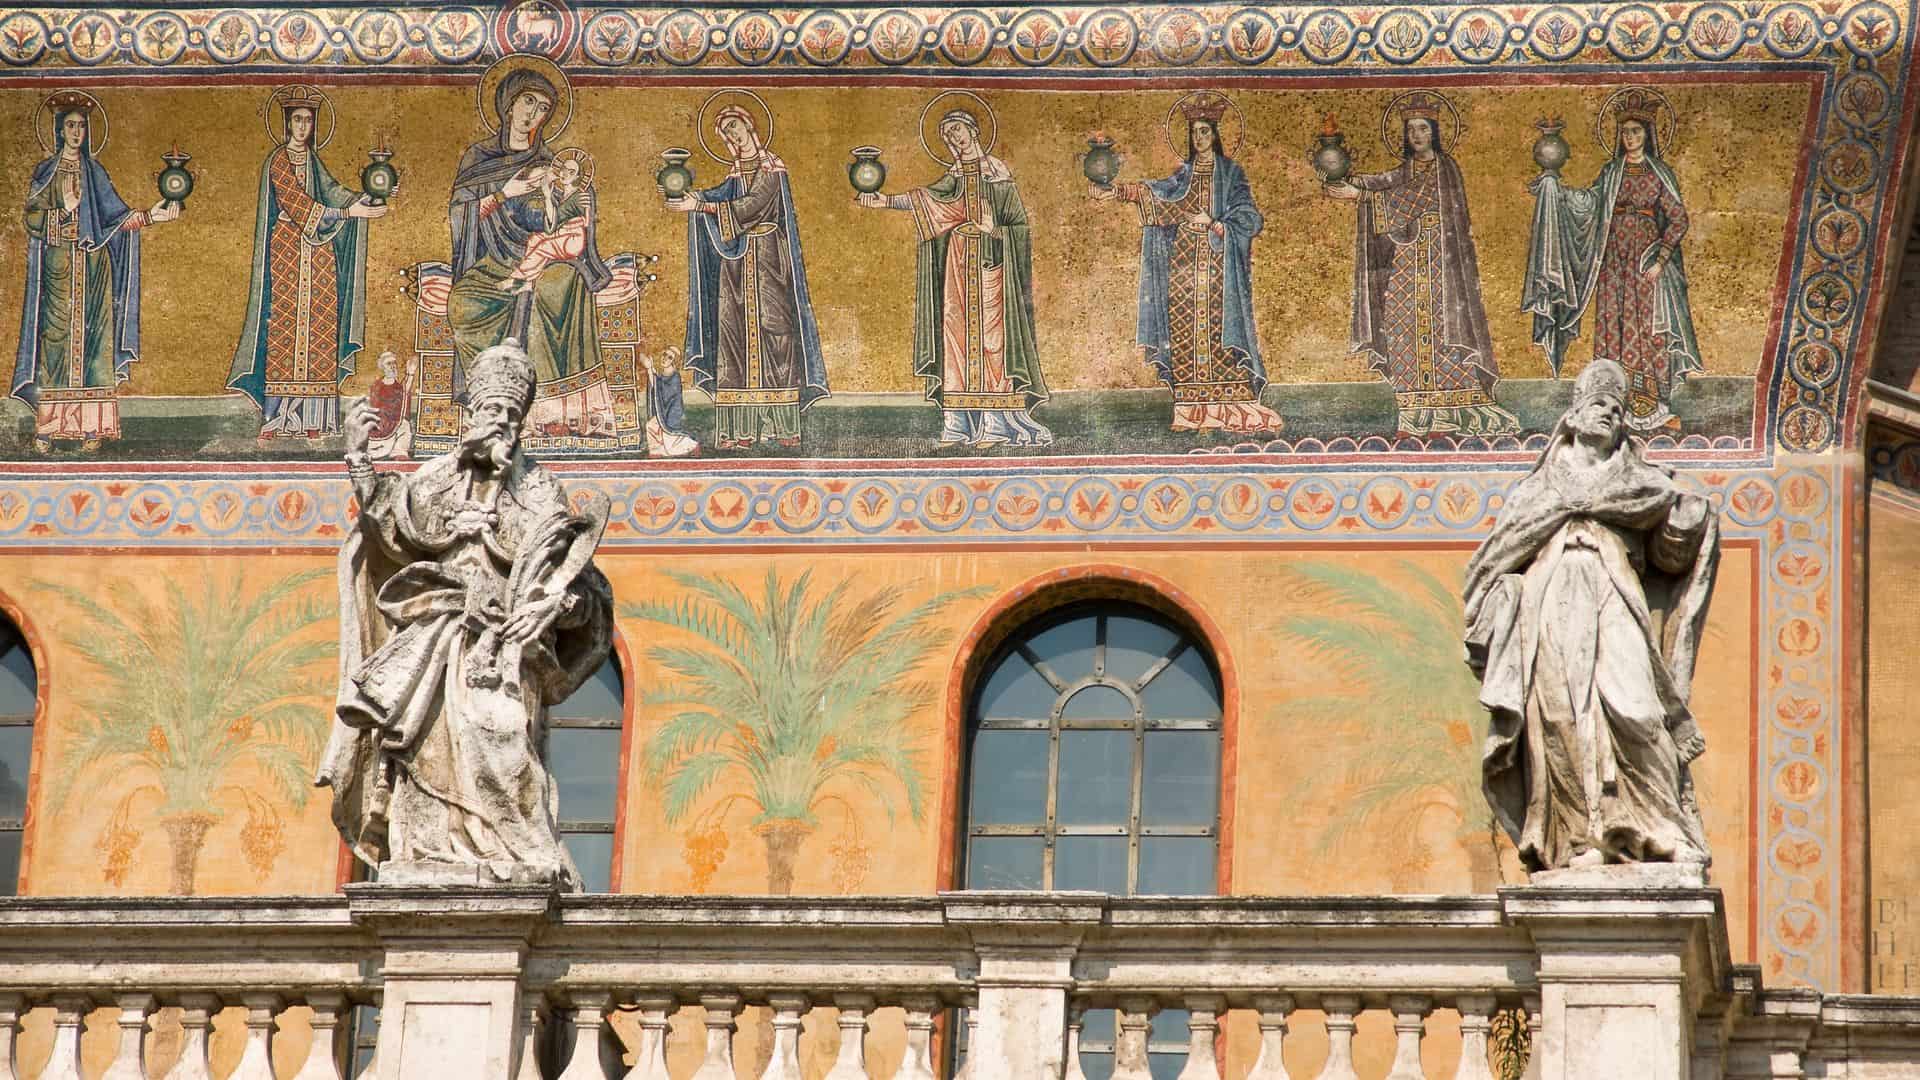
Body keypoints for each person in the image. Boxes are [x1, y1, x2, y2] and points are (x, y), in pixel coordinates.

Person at [318, 339, 615, 889]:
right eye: (491, 411)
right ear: (472, 414)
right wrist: (360, 459)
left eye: (510, 413)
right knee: (425, 746)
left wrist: (545, 598)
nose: (500, 421)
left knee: (500, 738)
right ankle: (430, 850)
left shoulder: (538, 488)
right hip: (437, 625)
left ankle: (517, 851)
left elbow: (567, 574)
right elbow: (388, 526)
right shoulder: (436, 478)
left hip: (499, 644)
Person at [1463, 358, 1717, 872]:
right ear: (1573, 417)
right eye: (1599, 405)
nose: (1611, 415)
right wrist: (1497, 607)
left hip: (1612, 590)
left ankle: (1663, 828)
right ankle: (1582, 839)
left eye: (1619, 411)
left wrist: (1685, 523)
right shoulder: (1538, 490)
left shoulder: (1642, 483)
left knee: (1637, 708)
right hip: (1549, 601)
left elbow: (1669, 557)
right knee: (1557, 717)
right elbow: (1492, 560)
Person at [1324, 92, 1520, 438]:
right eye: (1411, 129)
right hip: (1408, 262)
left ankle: (1452, 409)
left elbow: (1418, 196)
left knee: (1445, 332)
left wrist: (1365, 196)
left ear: (1434, 133)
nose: (1416, 135)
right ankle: (1415, 413)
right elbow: (1387, 181)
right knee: (1401, 326)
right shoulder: (1407, 171)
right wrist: (1350, 180)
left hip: (1441, 264)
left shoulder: (1445, 168)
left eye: (1423, 129)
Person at [857, 103, 1051, 447]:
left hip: (992, 267)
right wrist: (884, 201)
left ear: (973, 131)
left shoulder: (998, 175)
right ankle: (957, 425)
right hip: (957, 268)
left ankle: (995, 425)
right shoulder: (953, 178)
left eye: (957, 131)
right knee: (955, 342)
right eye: (947, 135)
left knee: (994, 343)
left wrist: (995, 231)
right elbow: (925, 201)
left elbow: (1019, 226)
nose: (952, 139)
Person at [446, 60, 616, 445]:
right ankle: (488, 400)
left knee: (557, 285)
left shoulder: (551, 164)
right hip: (491, 261)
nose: (533, 114)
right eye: (528, 102)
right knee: (462, 302)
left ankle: (550, 410)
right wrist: (507, 192)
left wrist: (569, 197)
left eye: (543, 109)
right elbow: (460, 214)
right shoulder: (477, 159)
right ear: (508, 104)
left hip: (543, 255)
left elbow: (563, 221)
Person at [1095, 93, 1283, 434]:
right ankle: (1191, 409)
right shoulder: (1183, 176)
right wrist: (1118, 192)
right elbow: (1157, 193)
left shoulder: (1231, 174)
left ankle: (1229, 407)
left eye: (1205, 131)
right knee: (1183, 333)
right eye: (1194, 132)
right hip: (1182, 266)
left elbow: (1250, 218)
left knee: (1218, 332)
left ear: (1215, 134)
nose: (1199, 139)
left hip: (1218, 268)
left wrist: (1214, 223)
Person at [1524, 91, 1701, 433]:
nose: (1630, 137)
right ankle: (1610, 403)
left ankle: (1651, 406)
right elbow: (1589, 204)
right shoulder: (1612, 172)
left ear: (1648, 135)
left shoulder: (1659, 173)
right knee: (1612, 325)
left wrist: (1661, 260)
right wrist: (1556, 188)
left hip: (1644, 262)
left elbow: (1678, 219)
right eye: (1626, 131)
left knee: (1647, 330)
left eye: (1636, 131)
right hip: (1613, 262)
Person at [12, 92, 179, 453]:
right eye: (70, 125)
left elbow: (115, 219)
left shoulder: (96, 172)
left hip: (94, 269)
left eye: (82, 126)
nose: (76, 132)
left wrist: (152, 215)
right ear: (59, 130)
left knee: (94, 342)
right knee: (55, 343)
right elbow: (31, 219)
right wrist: (63, 209)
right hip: (59, 268)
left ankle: (92, 428)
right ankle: (48, 429)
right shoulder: (45, 172)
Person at [228, 85, 386, 442]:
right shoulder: (278, 162)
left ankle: (313, 417)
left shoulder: (314, 162)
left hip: (319, 256)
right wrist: (349, 212)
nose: (303, 127)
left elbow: (332, 191)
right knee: (284, 327)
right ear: (287, 124)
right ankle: (277, 417)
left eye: (308, 121)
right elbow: (297, 204)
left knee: (319, 328)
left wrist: (367, 198)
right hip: (286, 251)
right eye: (297, 120)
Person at [668, 101, 828, 450]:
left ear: (751, 127)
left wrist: (704, 206)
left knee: (777, 335)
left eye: (736, 128)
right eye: (727, 134)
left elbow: (753, 206)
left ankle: (784, 427)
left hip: (769, 261)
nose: (733, 137)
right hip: (736, 269)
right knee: (733, 341)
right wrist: (693, 197)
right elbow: (719, 196)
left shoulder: (773, 170)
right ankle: (739, 431)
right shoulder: (734, 176)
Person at [510, 147, 593, 296]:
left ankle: (515, 278)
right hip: (562, 235)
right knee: (535, 239)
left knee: (544, 246)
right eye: (564, 169)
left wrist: (547, 196)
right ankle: (529, 281)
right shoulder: (564, 194)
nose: (565, 173)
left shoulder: (579, 197)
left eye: (571, 172)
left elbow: (553, 223)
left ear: (578, 177)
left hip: (573, 240)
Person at [364, 349, 412, 459]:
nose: (393, 366)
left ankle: (398, 452)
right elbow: (375, 408)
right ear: (383, 367)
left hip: (394, 422)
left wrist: (410, 374)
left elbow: (405, 392)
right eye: (389, 363)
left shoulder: (399, 387)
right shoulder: (377, 386)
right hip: (380, 424)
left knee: (405, 425)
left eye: (394, 363)